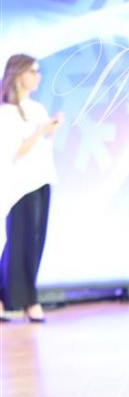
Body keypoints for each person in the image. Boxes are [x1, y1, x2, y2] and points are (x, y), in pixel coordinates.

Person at [0, 55, 64, 322]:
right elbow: (15, 152)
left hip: (42, 179)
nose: (38, 76)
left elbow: (44, 144)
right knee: (19, 242)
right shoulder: (6, 113)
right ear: (18, 75)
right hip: (20, 185)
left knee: (36, 241)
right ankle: (17, 300)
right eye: (33, 71)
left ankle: (24, 298)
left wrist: (51, 128)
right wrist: (39, 131)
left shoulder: (36, 108)